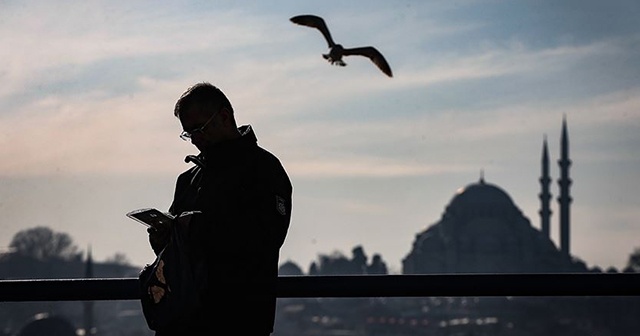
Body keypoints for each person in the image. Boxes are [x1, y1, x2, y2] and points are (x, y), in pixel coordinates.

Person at [146, 82, 293, 335]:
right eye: (189, 134)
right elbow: (176, 253)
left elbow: (267, 238)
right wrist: (163, 239)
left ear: (224, 117)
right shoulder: (187, 180)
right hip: (186, 320)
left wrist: (195, 229)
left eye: (198, 130)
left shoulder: (264, 170)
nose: (195, 140)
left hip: (238, 319)